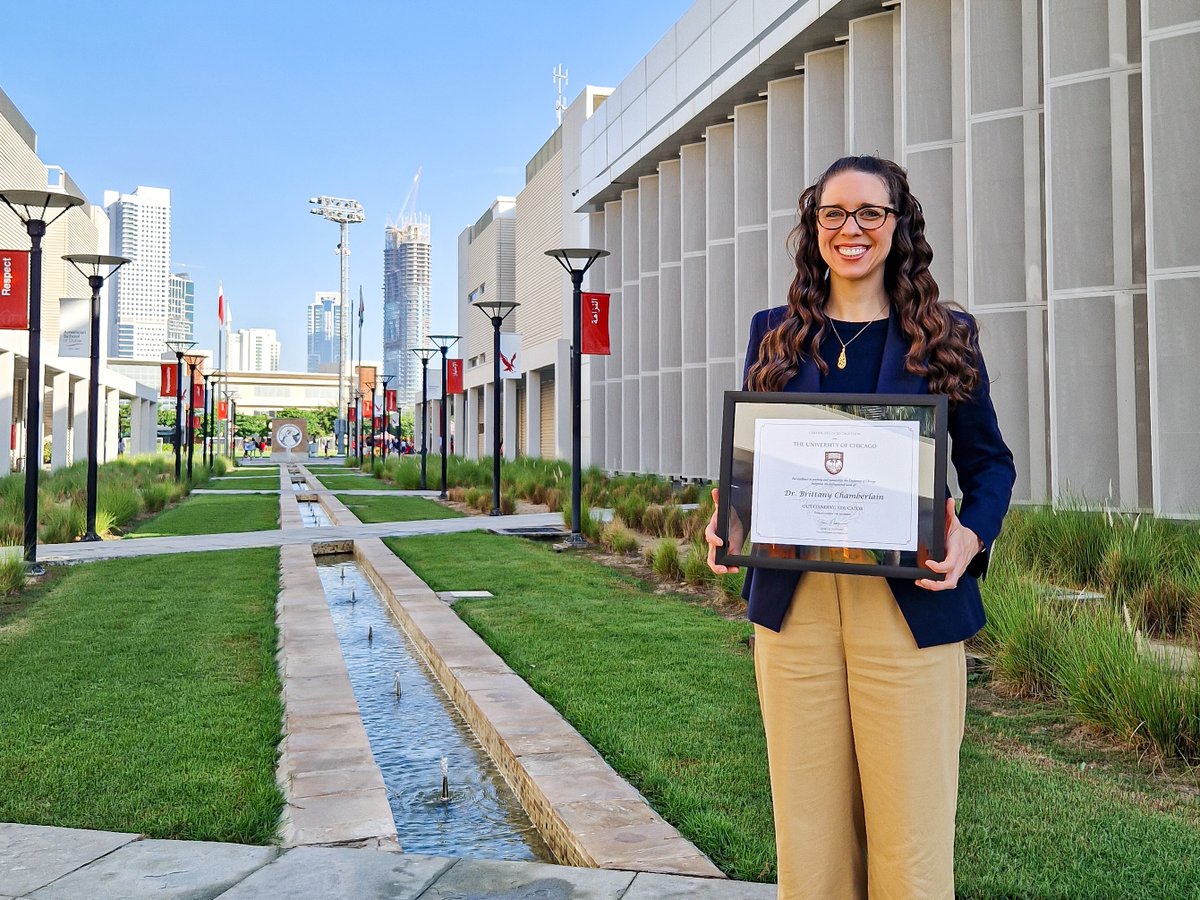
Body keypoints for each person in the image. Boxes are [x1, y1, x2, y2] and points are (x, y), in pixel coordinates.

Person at [706, 156, 1015, 900]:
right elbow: (758, 462)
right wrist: (730, 520)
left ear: (898, 225)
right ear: (814, 227)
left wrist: (970, 537)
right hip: (796, 611)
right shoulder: (773, 334)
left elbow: (990, 466)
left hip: (908, 610)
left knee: (911, 839)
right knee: (809, 836)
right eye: (834, 213)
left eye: (870, 212)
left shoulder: (945, 334)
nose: (851, 228)